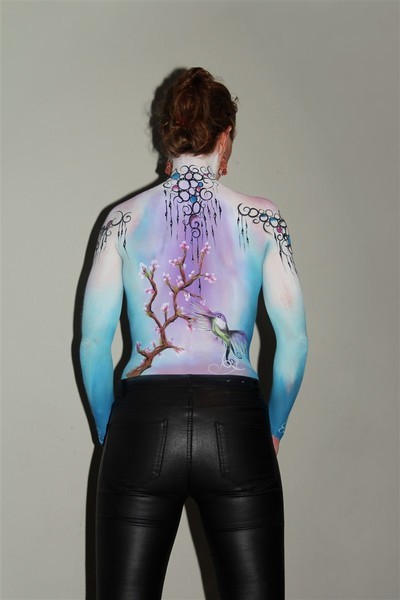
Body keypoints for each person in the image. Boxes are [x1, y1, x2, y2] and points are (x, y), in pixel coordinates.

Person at [80, 67, 308, 600]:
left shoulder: (121, 219)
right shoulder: (263, 219)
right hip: (235, 422)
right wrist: (273, 426)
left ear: (169, 135)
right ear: (225, 135)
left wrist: (109, 432)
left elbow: (92, 343)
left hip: (142, 421)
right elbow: (294, 341)